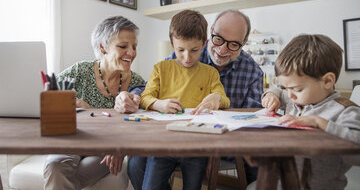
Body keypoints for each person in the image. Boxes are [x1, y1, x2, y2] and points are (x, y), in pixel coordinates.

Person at [128, 10, 263, 188]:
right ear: (211, 33)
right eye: (219, 39)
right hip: (170, 139)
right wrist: (134, 97)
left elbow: (251, 123)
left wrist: (214, 148)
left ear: (244, 43)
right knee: (136, 165)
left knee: (259, 164)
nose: (222, 50)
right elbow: (147, 90)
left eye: (233, 45)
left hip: (220, 141)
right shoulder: (176, 59)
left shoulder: (252, 71)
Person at [43, 16, 145, 190]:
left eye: (134, 46)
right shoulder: (80, 70)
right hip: (73, 141)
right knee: (55, 166)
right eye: (123, 46)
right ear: (102, 47)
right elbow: (48, 93)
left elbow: (141, 123)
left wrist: (121, 146)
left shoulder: (137, 82)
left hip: (105, 147)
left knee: (65, 176)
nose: (132, 52)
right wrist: (72, 103)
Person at [261, 34, 360, 189]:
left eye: (297, 89)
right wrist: (271, 94)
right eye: (287, 88)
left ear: (327, 81)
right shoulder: (293, 99)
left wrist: (320, 123)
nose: (290, 95)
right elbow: (278, 90)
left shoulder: (346, 111)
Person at [138, 10, 230, 190]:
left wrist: (216, 97)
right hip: (163, 145)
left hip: (196, 147)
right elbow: (144, 97)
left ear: (204, 44)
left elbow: (225, 100)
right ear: (172, 44)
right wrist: (159, 104)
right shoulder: (161, 68)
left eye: (194, 50)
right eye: (180, 50)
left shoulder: (210, 73)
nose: (187, 57)